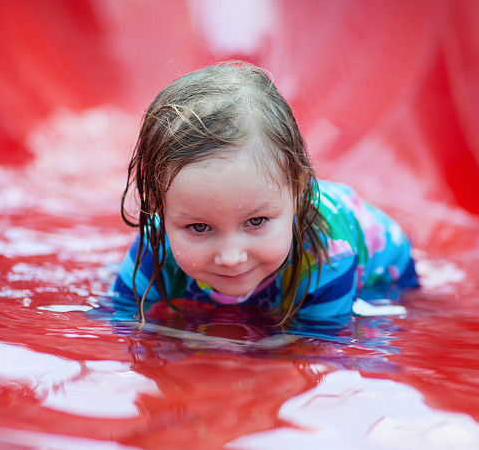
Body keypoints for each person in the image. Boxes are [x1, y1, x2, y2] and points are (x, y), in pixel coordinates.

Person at [111, 61, 418, 327]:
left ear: (299, 190)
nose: (231, 257)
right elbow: (121, 319)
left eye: (256, 221)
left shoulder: (331, 255)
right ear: (158, 207)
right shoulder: (156, 244)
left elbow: (321, 345)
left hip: (383, 271)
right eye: (199, 227)